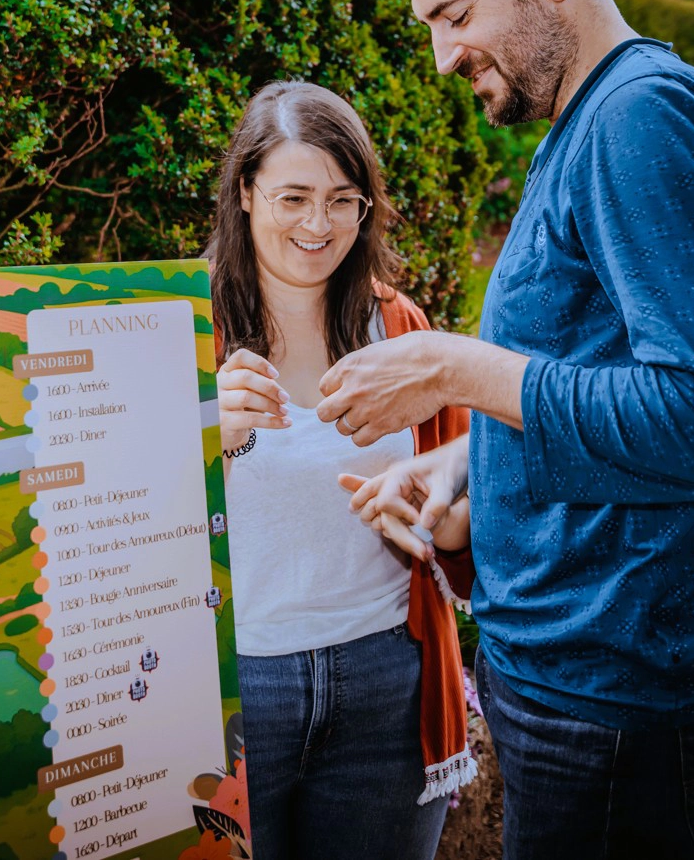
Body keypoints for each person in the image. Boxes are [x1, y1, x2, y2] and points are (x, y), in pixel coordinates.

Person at [318, 0, 694, 858]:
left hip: (628, 697)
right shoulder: (582, 127)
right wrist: (471, 459)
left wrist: (456, 369)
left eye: (454, 15)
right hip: (590, 685)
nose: (442, 56)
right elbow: (606, 378)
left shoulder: (644, 116)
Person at [207, 81, 476, 860]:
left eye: (341, 200)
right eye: (292, 197)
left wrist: (434, 515)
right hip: (230, 690)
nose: (318, 225)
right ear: (245, 192)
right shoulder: (182, 332)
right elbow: (119, 531)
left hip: (387, 681)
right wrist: (206, 440)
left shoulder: (399, 326)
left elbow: (461, 524)